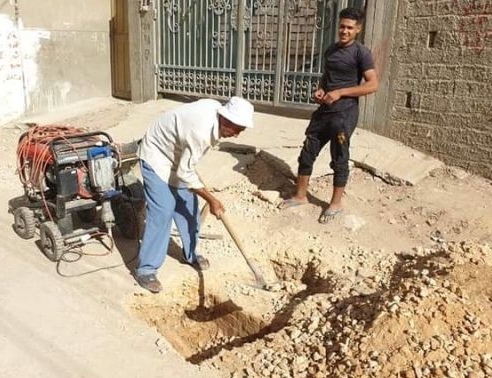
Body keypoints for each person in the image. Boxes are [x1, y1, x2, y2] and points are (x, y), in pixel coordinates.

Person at [135, 97, 254, 293]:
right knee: (163, 211)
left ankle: (190, 254)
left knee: (189, 207)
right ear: (226, 120)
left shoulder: (216, 113)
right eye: (237, 130)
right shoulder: (200, 131)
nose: (237, 136)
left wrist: (202, 192)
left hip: (177, 158)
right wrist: (212, 199)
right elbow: (186, 173)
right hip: (156, 155)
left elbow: (185, 169)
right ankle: (146, 269)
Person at [279, 7, 378, 223]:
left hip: (344, 115)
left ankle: (335, 204)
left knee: (339, 158)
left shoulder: (362, 53)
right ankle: (301, 195)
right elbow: (327, 77)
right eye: (342, 26)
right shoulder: (331, 50)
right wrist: (321, 90)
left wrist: (341, 92)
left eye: (349, 28)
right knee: (307, 152)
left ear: (358, 29)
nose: (344, 31)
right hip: (324, 112)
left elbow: (372, 85)